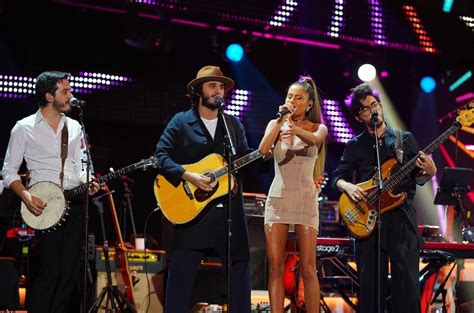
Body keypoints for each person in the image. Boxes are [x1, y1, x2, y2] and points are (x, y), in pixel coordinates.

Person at [331, 83, 437, 313]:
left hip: (402, 220)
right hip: (368, 222)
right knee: (370, 289)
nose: (373, 111)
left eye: (374, 105)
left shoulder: (404, 139)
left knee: (407, 286)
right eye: (366, 109)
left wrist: (429, 172)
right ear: (359, 117)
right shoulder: (355, 145)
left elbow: (418, 177)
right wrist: (347, 186)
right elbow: (337, 177)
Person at [154, 65, 252, 313]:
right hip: (192, 213)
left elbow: (244, 158)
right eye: (212, 86)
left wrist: (269, 150)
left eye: (221, 86)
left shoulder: (232, 125)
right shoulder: (181, 122)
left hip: (229, 214)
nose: (218, 90)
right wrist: (188, 175)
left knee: (239, 273)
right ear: (199, 91)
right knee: (180, 277)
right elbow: (161, 156)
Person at [2, 71, 100, 312]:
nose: (71, 96)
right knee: (51, 270)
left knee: (69, 273)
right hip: (43, 205)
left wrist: (89, 180)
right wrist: (26, 197)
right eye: (65, 91)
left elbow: (82, 166)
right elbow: (9, 172)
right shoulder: (23, 128)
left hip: (75, 204)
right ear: (48, 96)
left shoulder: (75, 126)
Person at [258, 75, 327, 313]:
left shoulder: (319, 127)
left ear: (309, 104)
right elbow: (263, 149)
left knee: (308, 267)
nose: (292, 101)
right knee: (275, 266)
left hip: (306, 200)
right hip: (278, 199)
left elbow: (315, 140)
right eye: (289, 96)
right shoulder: (275, 125)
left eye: (299, 98)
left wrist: (294, 127)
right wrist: (280, 122)